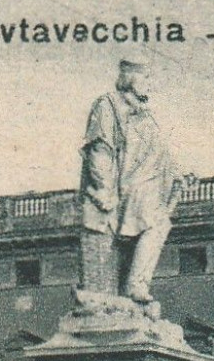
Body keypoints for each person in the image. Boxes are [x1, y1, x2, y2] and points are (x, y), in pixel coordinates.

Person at [79, 58, 195, 304]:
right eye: (146, 78)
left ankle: (136, 286)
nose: (150, 85)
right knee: (158, 224)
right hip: (125, 188)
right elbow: (100, 149)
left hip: (147, 185)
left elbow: (161, 152)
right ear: (130, 78)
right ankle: (135, 285)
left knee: (159, 224)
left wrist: (178, 174)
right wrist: (103, 191)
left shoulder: (145, 115)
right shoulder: (107, 105)